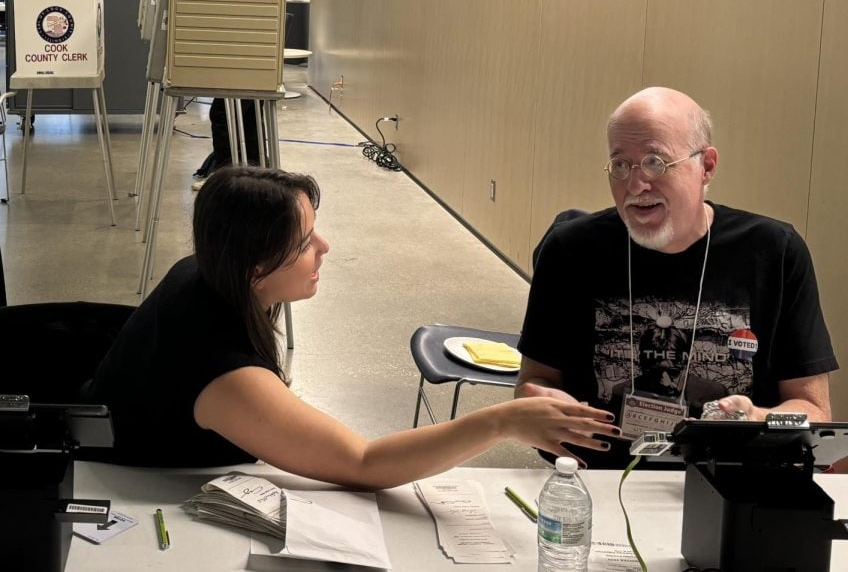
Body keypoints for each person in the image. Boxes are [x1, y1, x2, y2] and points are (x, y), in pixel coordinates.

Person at [83, 167, 619, 489]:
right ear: (257, 269)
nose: (324, 248)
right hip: (141, 493)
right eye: (304, 243)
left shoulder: (206, 272)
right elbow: (362, 463)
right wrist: (502, 423)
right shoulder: (222, 372)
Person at [516, 87, 837, 468]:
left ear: (707, 166)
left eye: (655, 162)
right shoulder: (570, 251)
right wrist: (543, 405)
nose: (635, 185)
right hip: (596, 479)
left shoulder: (775, 253)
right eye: (620, 165)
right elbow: (533, 383)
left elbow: (814, 413)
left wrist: (756, 420)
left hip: (728, 482)